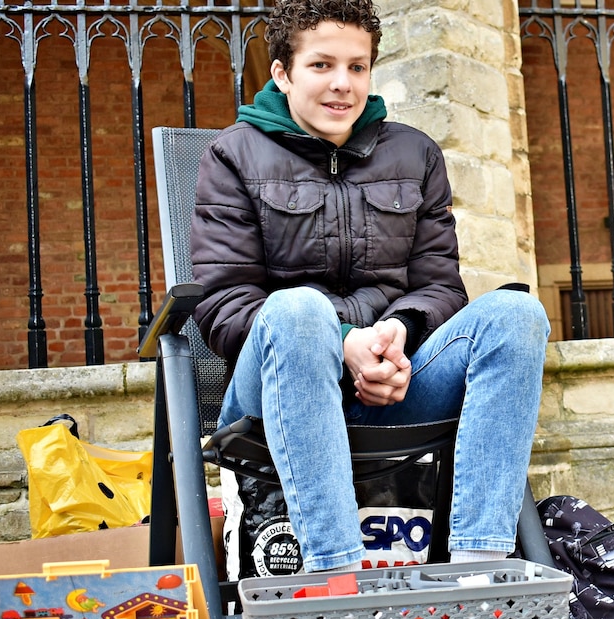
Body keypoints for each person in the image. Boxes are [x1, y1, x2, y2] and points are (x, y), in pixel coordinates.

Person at [189, 0, 550, 573]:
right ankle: (339, 572)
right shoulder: (232, 155)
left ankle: (480, 566)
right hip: (276, 393)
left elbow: (439, 285)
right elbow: (224, 305)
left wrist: (396, 335)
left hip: (392, 386)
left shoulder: (415, 152)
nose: (342, 85)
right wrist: (344, 339)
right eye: (321, 65)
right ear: (282, 74)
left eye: (357, 67)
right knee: (299, 310)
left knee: (515, 314)